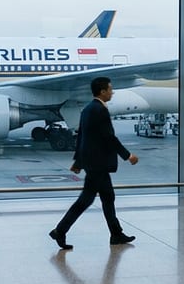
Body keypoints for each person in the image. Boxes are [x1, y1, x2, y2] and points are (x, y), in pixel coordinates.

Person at [49, 76, 139, 249]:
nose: (112, 92)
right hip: (98, 164)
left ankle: (116, 234)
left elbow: (82, 137)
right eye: (110, 89)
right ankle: (60, 231)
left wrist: (78, 162)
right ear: (103, 91)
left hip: (94, 163)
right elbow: (109, 138)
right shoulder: (99, 110)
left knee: (108, 198)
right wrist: (128, 156)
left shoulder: (88, 109)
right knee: (85, 200)